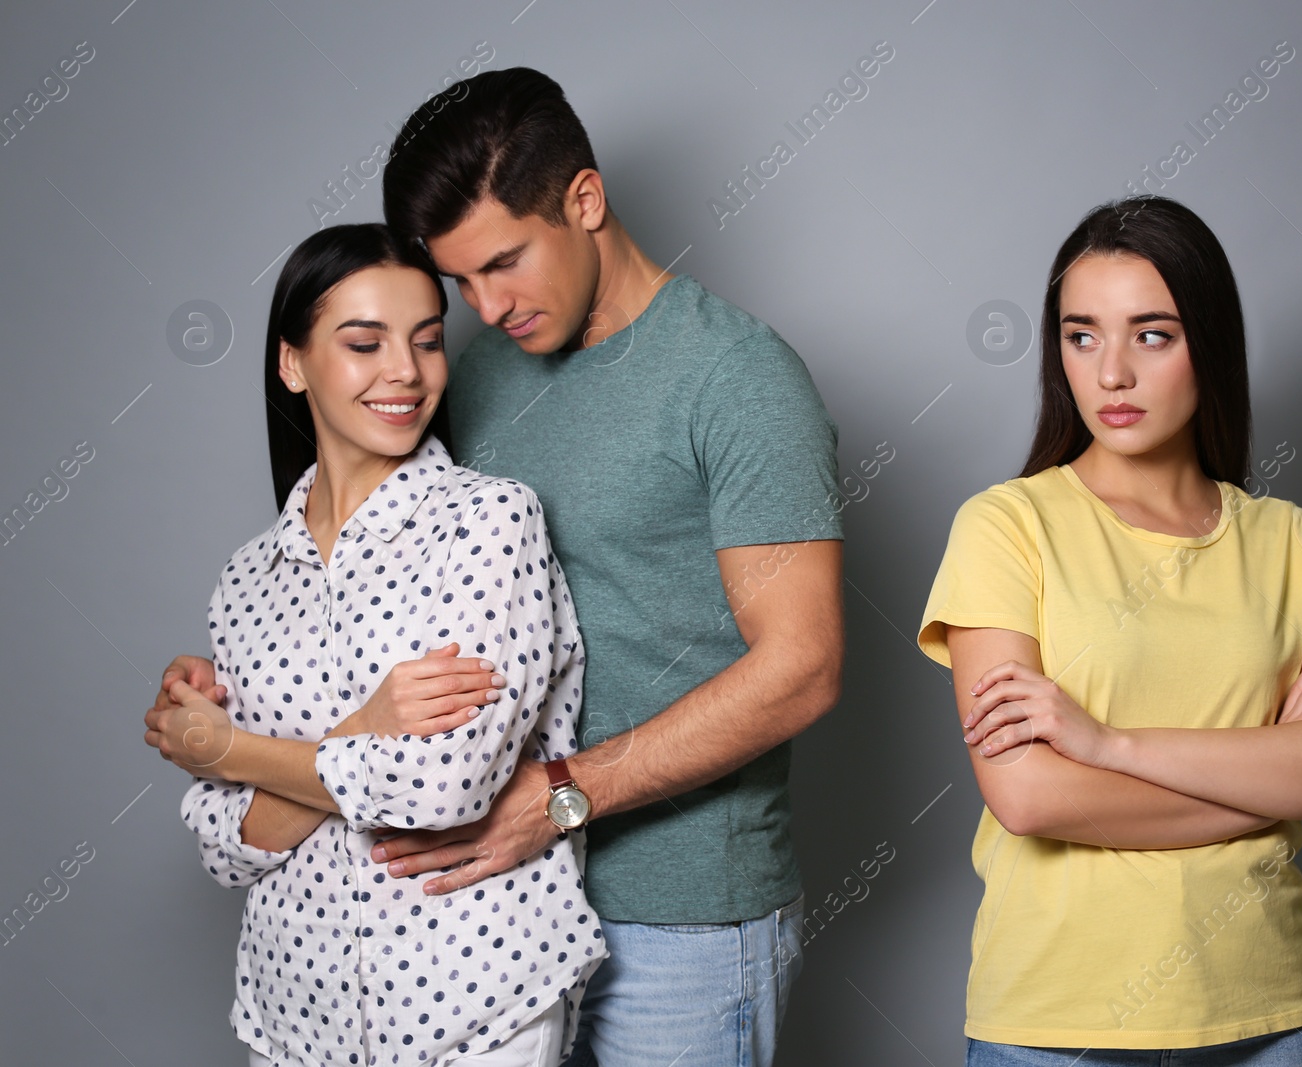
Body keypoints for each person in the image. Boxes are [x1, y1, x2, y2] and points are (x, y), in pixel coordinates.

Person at [150, 67, 844, 1067]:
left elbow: (804, 665)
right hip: (482, 919)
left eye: (504, 264)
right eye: (460, 280)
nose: (484, 303)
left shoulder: (738, 379)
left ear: (585, 200)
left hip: (679, 918)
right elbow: (371, 577)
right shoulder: (465, 376)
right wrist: (236, 680)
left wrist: (562, 792)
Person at [917, 196, 1302, 1066]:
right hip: (1056, 1028)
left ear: (1208, 341)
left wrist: (1107, 743)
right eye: (1082, 335)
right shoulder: (1005, 526)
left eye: (1153, 334)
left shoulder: (1293, 541)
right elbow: (1029, 797)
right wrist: (1272, 764)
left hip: (1265, 1015)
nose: (1112, 374)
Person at [144, 223, 604, 1066]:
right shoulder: (245, 583)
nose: (406, 371)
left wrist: (237, 750)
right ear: (292, 363)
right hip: (296, 1016)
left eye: (427, 341)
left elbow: (444, 786)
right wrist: (368, 724)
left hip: (476, 998)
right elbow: (221, 840)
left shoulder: (490, 523)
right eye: (365, 343)